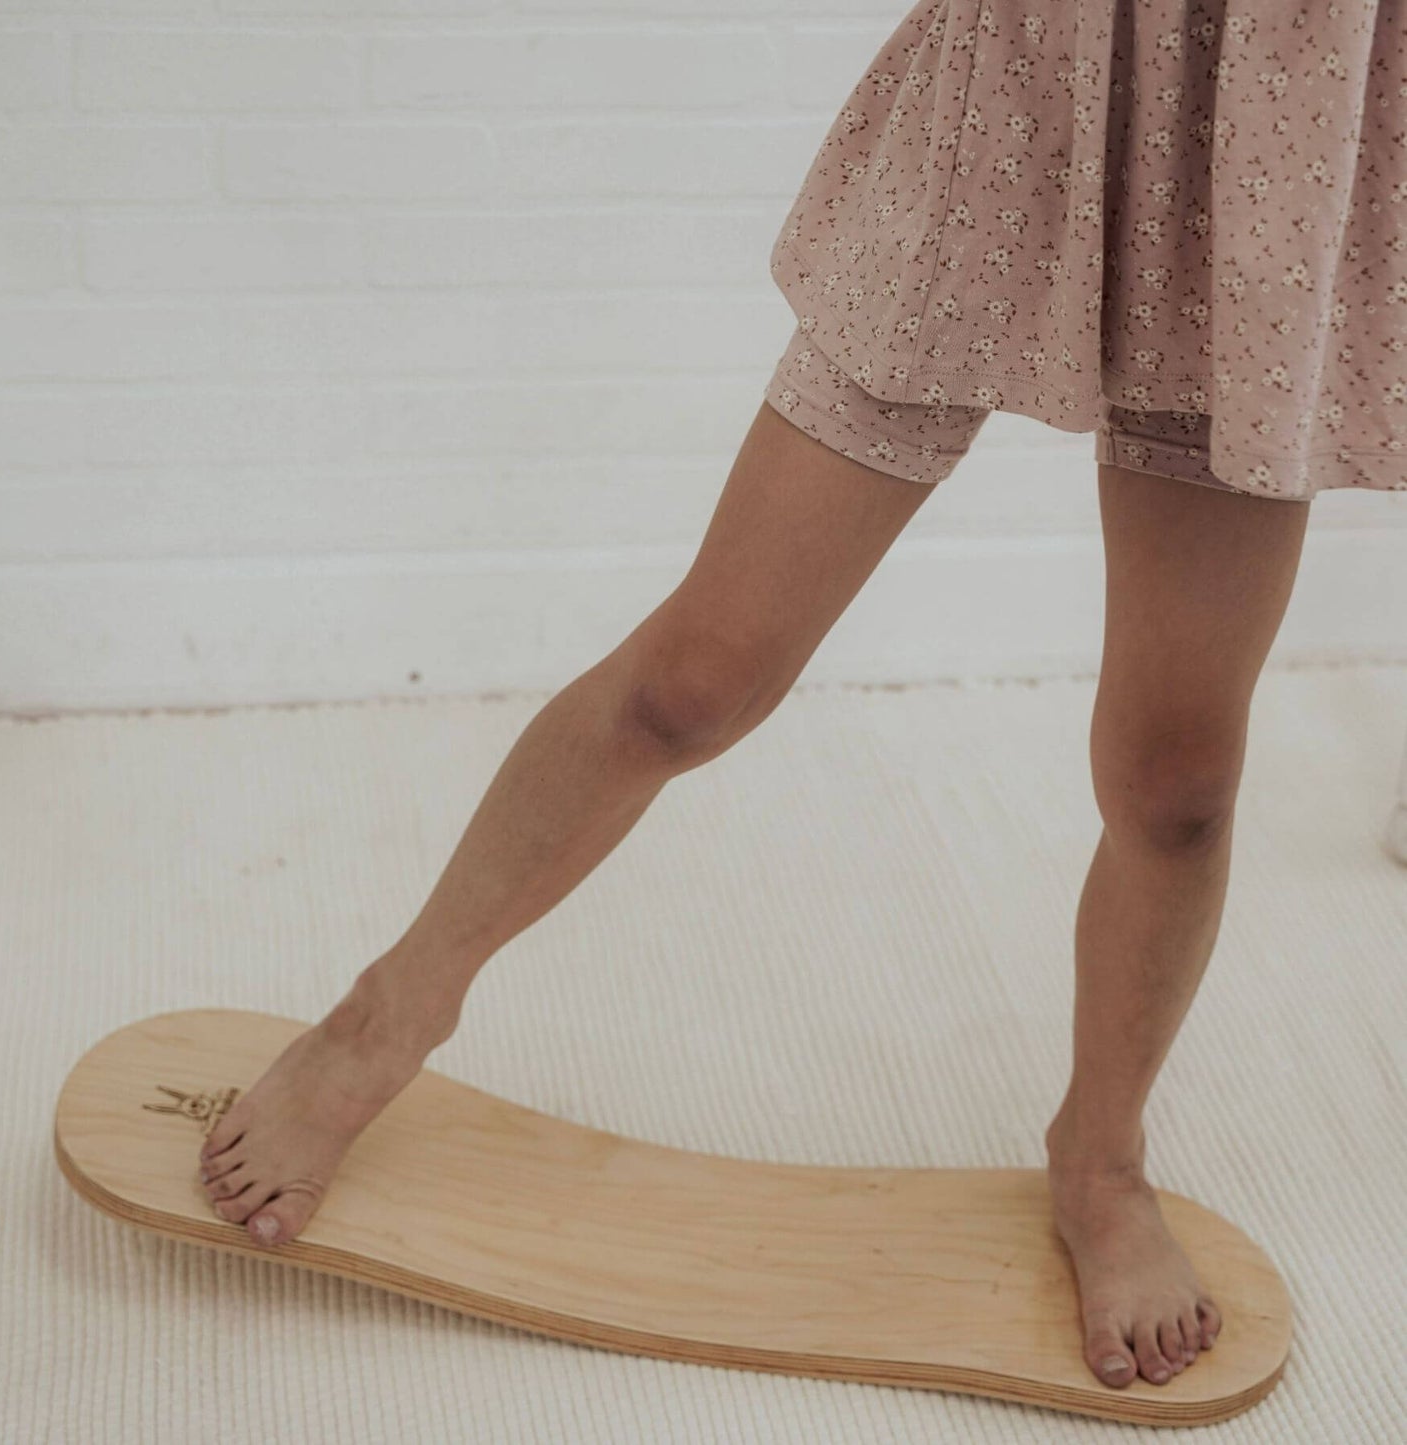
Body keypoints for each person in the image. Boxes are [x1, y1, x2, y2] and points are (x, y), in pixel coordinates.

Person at [196, 0, 1403, 1393]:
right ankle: (383, 1015)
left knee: (1177, 787)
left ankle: (1101, 1158)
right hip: (1045, 75)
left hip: (1283, 154)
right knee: (693, 685)